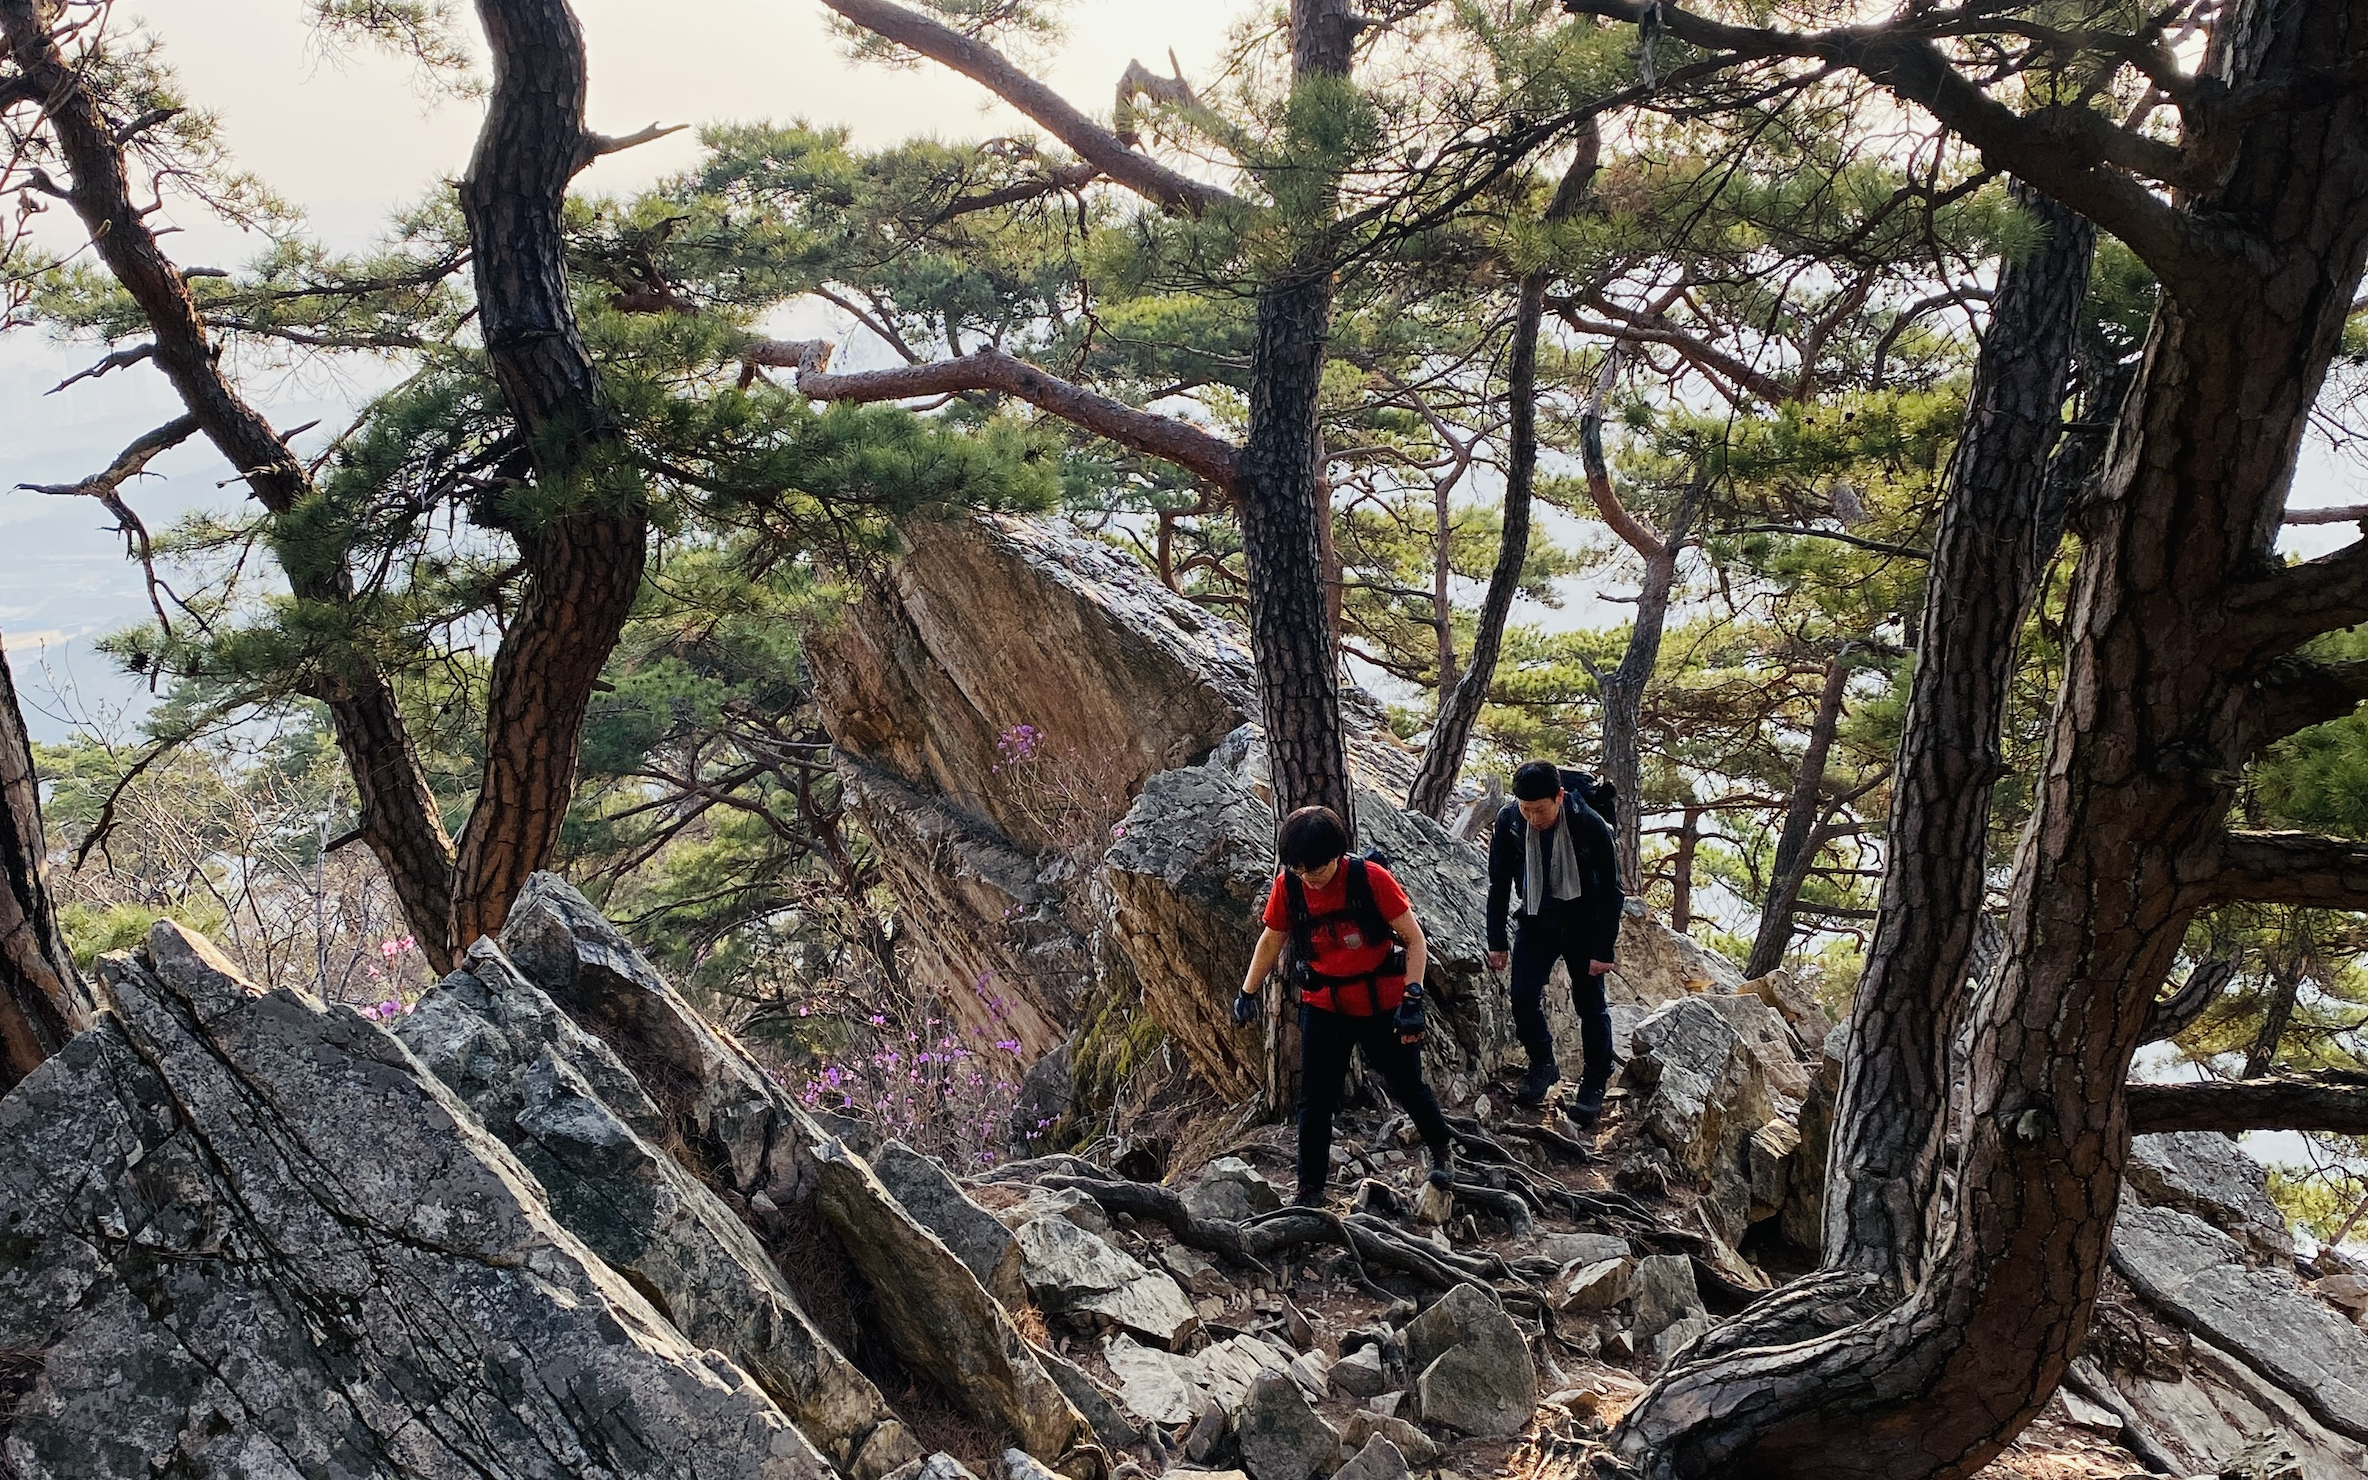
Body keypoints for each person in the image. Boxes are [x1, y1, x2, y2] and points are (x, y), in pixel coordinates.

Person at [1234, 805, 1456, 1206]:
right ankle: (1309, 1190)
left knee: (1407, 1084)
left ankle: (1441, 1149)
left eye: (1314, 870)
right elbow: (1271, 940)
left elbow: (1414, 940)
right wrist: (1247, 992)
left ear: (1337, 855)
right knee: (1315, 1099)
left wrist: (1413, 998)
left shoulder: (1370, 880)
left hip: (1382, 1003)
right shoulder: (1290, 886)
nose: (1308, 879)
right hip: (1325, 1004)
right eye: (1299, 870)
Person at [1486, 759, 1625, 1119]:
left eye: (1541, 810)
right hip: (1536, 918)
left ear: (1560, 796)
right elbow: (1499, 885)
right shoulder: (1509, 822)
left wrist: (1603, 949)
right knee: (1521, 997)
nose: (1533, 818)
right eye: (1526, 809)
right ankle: (1542, 1062)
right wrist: (1496, 940)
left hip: (1583, 923)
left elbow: (1613, 892)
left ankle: (1594, 1081)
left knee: (1590, 1006)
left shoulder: (1589, 824)